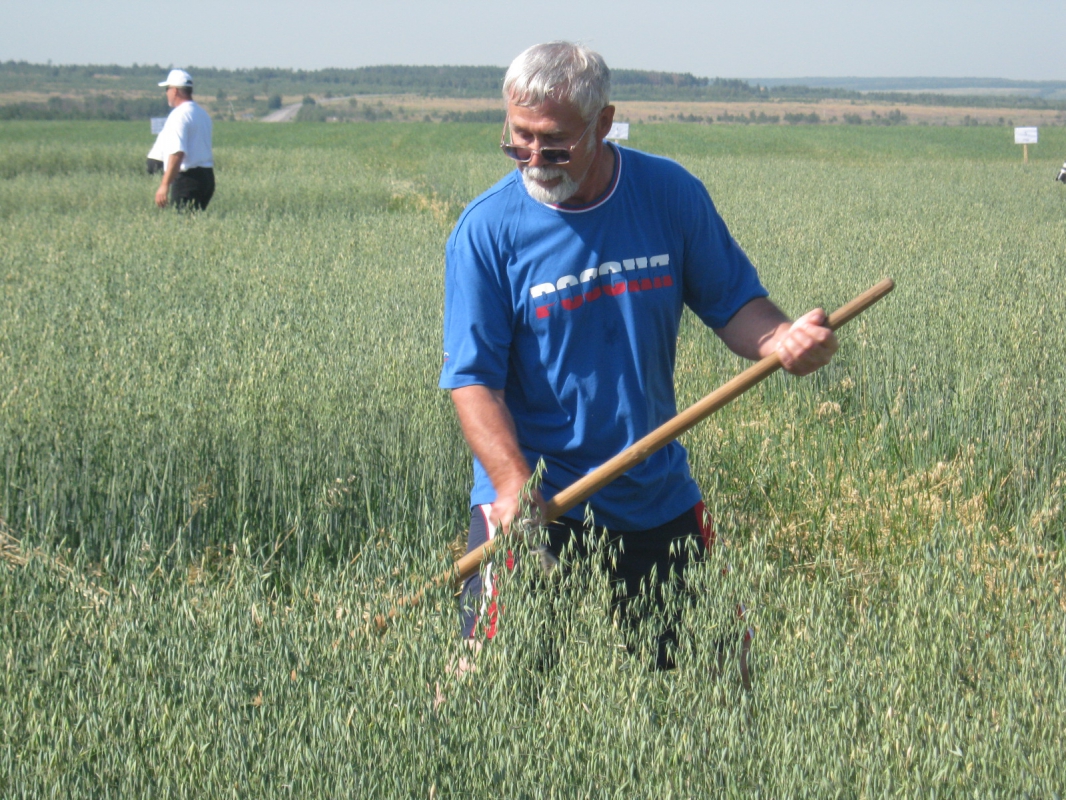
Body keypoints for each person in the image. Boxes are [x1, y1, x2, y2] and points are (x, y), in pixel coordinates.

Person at [439, 41, 838, 672]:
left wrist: (780, 340)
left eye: (555, 141)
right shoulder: (486, 231)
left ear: (604, 122)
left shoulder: (669, 194)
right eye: (519, 139)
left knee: (722, 679)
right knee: (488, 688)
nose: (534, 159)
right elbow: (473, 382)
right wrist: (516, 485)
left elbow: (735, 304)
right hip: (536, 506)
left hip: (656, 492)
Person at [152, 69, 215, 210]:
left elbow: (177, 153)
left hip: (187, 179)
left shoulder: (179, 115)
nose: (166, 93)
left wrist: (164, 185)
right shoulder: (202, 114)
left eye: (167, 89)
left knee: (182, 224)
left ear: (175, 91)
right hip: (207, 177)